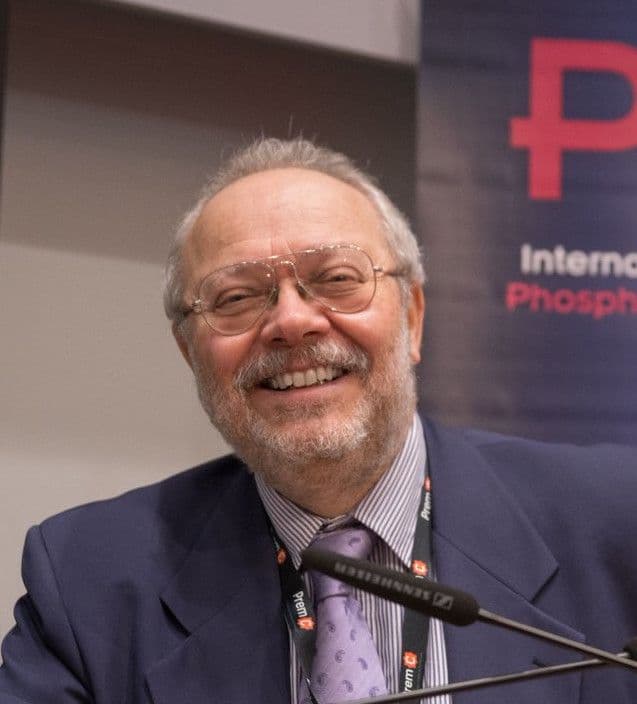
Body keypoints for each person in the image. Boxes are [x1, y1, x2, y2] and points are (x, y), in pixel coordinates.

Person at [1, 138, 636, 704]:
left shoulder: (615, 522)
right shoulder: (87, 582)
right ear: (189, 352)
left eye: (335, 278)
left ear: (413, 317)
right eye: (237, 297)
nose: (292, 321)